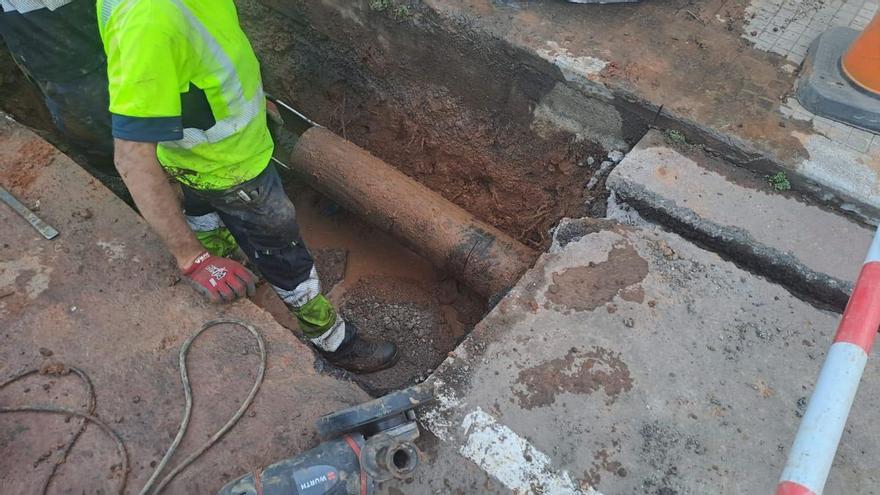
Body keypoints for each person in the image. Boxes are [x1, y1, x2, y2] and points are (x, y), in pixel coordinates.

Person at [96, 0, 398, 373]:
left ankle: (228, 255)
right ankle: (332, 339)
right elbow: (131, 158)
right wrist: (193, 259)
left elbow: (203, 52)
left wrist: (253, 95)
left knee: (203, 208)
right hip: (232, 170)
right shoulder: (148, 19)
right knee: (284, 255)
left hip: (196, 154)